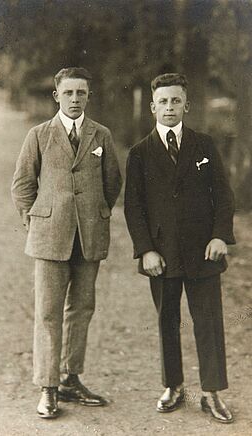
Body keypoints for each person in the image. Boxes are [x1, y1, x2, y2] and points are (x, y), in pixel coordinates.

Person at [124, 73, 235, 424]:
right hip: (162, 252)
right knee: (167, 320)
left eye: (176, 101)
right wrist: (145, 249)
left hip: (204, 251)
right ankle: (173, 385)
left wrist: (220, 236)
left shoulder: (204, 145)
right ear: (152, 106)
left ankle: (211, 392)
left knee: (208, 320)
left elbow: (224, 195)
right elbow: (134, 207)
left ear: (186, 105)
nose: (169, 107)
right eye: (163, 101)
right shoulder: (140, 153)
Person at [11, 67, 122, 418]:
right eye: (69, 93)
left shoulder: (101, 135)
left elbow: (112, 181)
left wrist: (97, 210)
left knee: (82, 309)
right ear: (56, 96)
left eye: (82, 93)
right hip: (49, 236)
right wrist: (33, 215)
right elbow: (23, 183)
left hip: (88, 235)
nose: (75, 99)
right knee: (47, 313)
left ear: (89, 97)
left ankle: (71, 378)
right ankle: (48, 387)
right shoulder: (40, 135)